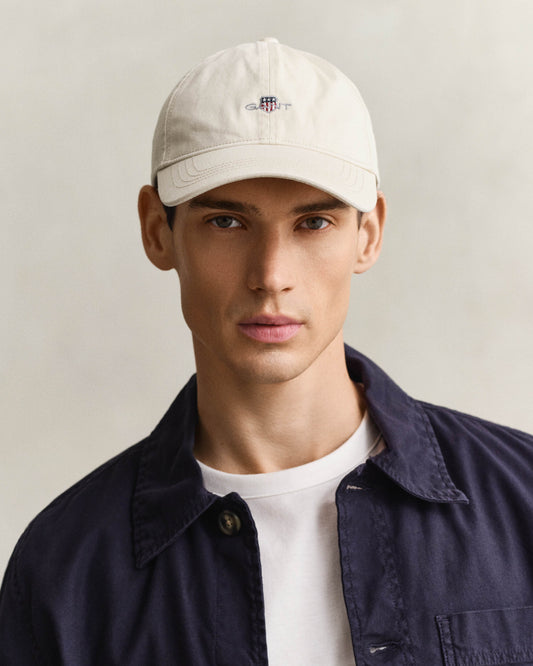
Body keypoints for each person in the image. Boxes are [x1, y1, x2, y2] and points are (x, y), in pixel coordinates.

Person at [1, 37, 533, 666]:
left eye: (314, 223)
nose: (271, 275)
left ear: (368, 234)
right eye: (226, 222)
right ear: (156, 231)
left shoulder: (521, 500)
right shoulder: (64, 573)